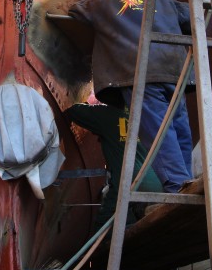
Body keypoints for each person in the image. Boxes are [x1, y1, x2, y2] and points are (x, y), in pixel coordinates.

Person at [68, 0, 194, 193]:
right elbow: (191, 16)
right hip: (175, 72)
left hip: (140, 73)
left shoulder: (102, 0)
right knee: (179, 125)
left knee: (157, 131)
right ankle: (189, 182)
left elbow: (75, 11)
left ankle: (177, 186)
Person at [65, 94, 163, 230]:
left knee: (105, 230)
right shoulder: (144, 117)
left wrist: (90, 103)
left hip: (127, 183)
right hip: (157, 183)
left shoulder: (107, 115)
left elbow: (74, 111)